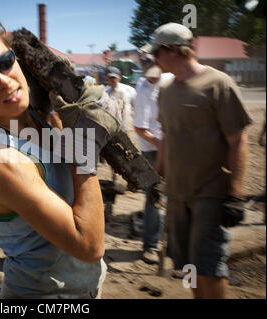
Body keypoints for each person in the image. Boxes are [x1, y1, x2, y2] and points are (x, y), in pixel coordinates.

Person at [0, 16, 107, 298]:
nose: (2, 81)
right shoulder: (0, 160)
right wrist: (85, 150)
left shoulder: (42, 118)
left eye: (4, 62)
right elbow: (88, 246)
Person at [143, 23, 252, 299]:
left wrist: (236, 195)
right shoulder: (166, 91)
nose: (154, 60)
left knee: (209, 267)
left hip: (210, 193)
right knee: (188, 266)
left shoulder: (218, 84)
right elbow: (166, 137)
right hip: (177, 196)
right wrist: (158, 178)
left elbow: (238, 140)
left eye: (157, 53)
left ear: (174, 50)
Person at [133, 66, 172, 264]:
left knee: (177, 196)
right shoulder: (142, 89)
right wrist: (160, 143)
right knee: (154, 196)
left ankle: (174, 245)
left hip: (174, 146)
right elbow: (139, 128)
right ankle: (151, 245)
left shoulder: (172, 79)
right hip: (151, 148)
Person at [104, 66, 136, 133]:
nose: (113, 80)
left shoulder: (129, 90)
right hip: (111, 129)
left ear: (119, 77)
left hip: (127, 128)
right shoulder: (104, 92)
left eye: (114, 77)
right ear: (106, 78)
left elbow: (137, 108)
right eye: (110, 78)